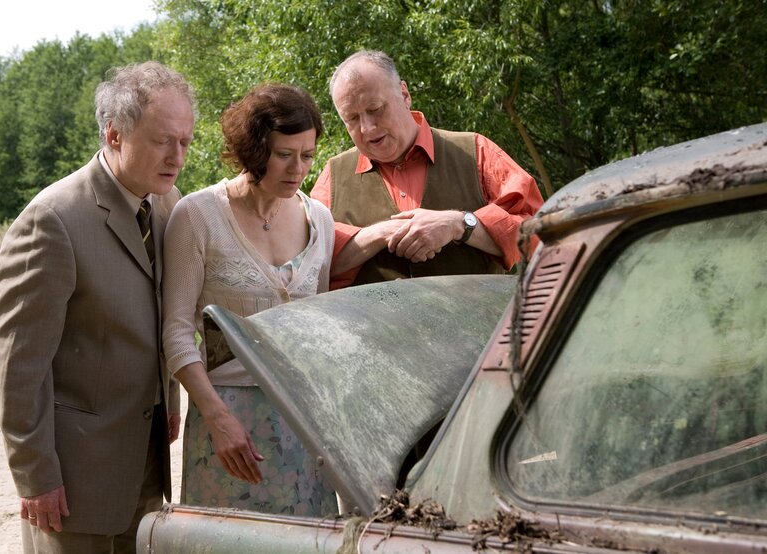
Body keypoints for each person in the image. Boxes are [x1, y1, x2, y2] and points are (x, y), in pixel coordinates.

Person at [0, 61, 195, 554]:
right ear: (115, 134)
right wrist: (35, 475)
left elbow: (161, 309)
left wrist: (168, 394)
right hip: (72, 481)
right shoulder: (52, 220)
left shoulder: (167, 203)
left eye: (186, 142)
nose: (177, 157)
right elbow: (18, 365)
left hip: (147, 463)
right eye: (162, 141)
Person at [162, 83, 338, 516]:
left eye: (308, 155)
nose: (298, 168)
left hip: (303, 420)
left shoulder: (321, 219)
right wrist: (217, 418)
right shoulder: (197, 215)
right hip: (226, 420)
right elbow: (176, 332)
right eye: (284, 154)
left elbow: (321, 329)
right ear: (254, 149)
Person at [311, 50, 545, 289]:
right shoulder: (333, 177)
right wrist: (379, 234)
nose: (367, 128)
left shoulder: (476, 151)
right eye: (352, 119)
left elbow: (542, 233)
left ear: (404, 94)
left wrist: (459, 224)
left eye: (375, 109)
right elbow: (305, 264)